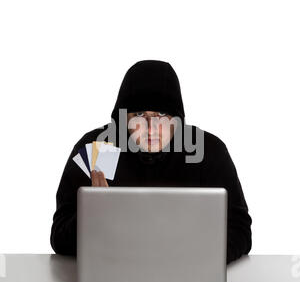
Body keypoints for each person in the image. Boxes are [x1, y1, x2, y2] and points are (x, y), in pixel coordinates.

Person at [50, 60, 252, 264]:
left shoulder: (208, 151)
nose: (151, 127)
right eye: (139, 114)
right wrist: (92, 215)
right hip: (112, 272)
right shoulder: (97, 149)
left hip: (189, 272)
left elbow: (240, 230)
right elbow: (58, 238)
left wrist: (198, 262)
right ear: (123, 119)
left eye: (161, 115)